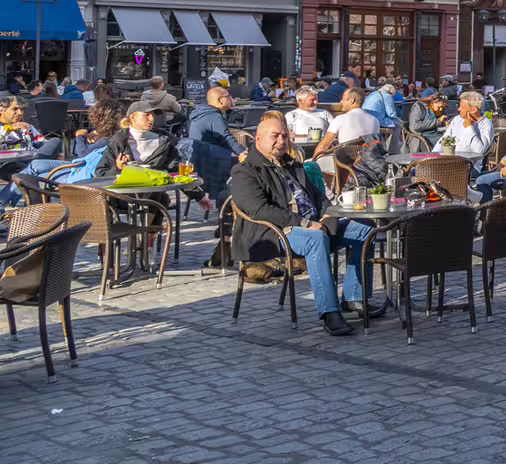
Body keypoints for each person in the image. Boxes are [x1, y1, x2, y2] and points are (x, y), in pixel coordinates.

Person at [228, 113, 380, 336]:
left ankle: (355, 298)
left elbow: (319, 197)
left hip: (312, 224)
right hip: (271, 232)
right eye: (275, 136)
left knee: (365, 229)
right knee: (315, 239)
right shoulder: (245, 170)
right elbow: (259, 210)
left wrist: (329, 216)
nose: (281, 141)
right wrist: (305, 222)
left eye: (285, 136)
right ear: (257, 139)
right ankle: (329, 312)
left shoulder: (292, 165)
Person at [186, 85, 239, 214]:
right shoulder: (214, 117)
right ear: (220, 100)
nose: (232, 99)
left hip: (200, 161)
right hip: (211, 164)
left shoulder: (203, 114)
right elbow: (228, 140)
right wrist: (245, 153)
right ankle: (228, 213)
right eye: (229, 96)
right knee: (242, 169)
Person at [438, 90, 495, 168]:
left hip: (469, 167)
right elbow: (443, 141)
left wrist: (469, 127)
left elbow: (479, 151)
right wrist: (432, 158)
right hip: (449, 163)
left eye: (462, 107)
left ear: (474, 110)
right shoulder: (457, 119)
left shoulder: (486, 124)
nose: (458, 109)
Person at [117, 106, 178, 171]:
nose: (151, 119)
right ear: (132, 118)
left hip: (156, 180)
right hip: (127, 181)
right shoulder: (118, 141)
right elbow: (105, 174)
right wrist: (118, 168)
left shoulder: (164, 141)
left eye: (153, 115)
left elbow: (175, 170)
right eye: (147, 115)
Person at [285, 86, 335, 151]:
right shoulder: (291, 115)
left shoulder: (324, 113)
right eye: (312, 100)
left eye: (316, 99)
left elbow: (335, 130)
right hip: (299, 148)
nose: (316, 102)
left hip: (323, 148)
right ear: (300, 101)